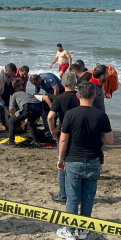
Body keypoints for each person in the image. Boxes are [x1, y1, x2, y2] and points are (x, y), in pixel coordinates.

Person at [56, 81, 113, 240]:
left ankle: (69, 230)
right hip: (93, 161)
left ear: (78, 95)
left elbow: (63, 140)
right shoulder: (101, 115)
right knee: (88, 197)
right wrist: (97, 135)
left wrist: (60, 159)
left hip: (73, 160)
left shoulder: (71, 114)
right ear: (94, 96)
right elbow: (109, 140)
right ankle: (83, 229)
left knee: (73, 197)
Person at [47, 72, 80, 204]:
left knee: (62, 164)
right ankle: (75, 193)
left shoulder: (59, 99)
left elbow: (50, 116)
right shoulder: (79, 97)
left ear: (62, 84)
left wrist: (53, 130)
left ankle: (63, 195)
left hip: (63, 132)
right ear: (75, 84)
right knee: (75, 163)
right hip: (78, 133)